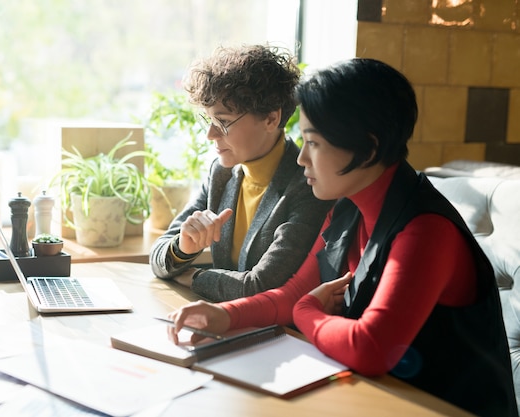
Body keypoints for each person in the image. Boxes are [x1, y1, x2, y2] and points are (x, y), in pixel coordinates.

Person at [165, 58, 518, 417]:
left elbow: (370, 348)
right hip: (380, 401)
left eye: (313, 143)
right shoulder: (348, 206)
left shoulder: (425, 230)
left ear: (368, 148)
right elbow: (291, 292)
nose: (301, 158)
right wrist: (222, 316)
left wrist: (307, 311)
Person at [149, 44, 334, 302]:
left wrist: (191, 277)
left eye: (223, 122)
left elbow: (260, 286)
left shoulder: (308, 185)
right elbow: (157, 255)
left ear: (271, 119)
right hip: (224, 321)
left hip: (278, 332)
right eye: (209, 121)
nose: (210, 135)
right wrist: (183, 248)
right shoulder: (222, 173)